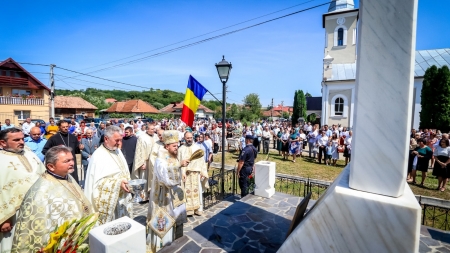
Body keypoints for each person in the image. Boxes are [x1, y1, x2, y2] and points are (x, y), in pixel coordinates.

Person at [10, 146, 94, 252]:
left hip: (80, 238)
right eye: (67, 161)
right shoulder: (41, 191)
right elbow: (40, 231)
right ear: (51, 166)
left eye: (72, 159)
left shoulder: (66, 177)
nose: (72, 163)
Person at [0, 128, 45, 252]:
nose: (22, 142)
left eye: (22, 139)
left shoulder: (28, 153)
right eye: (16, 140)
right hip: (13, 215)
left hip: (38, 208)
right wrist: (3, 219)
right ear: (3, 143)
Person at [146, 130, 190, 252]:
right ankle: (164, 248)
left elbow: (175, 171)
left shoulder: (173, 156)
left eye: (177, 145)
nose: (177, 148)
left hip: (174, 197)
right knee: (166, 227)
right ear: (166, 146)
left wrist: (181, 170)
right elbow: (166, 179)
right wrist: (179, 166)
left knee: (177, 223)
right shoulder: (160, 160)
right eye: (174, 146)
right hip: (163, 199)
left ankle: (176, 243)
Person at [84, 126, 133, 225]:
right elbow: (96, 185)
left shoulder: (117, 150)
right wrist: (118, 183)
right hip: (111, 205)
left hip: (123, 199)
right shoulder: (98, 156)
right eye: (117, 140)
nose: (119, 143)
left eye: (120, 140)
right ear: (106, 139)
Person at [178, 132, 208, 216]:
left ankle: (198, 209)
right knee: (186, 192)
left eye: (191, 137)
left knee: (196, 192)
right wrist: (182, 172)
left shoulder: (197, 148)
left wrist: (203, 172)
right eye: (187, 138)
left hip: (196, 174)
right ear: (184, 138)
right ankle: (188, 211)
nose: (189, 139)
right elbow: (179, 162)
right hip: (186, 174)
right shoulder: (180, 149)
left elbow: (202, 161)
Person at [132, 124, 156, 201]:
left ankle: (152, 195)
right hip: (145, 162)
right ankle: (143, 196)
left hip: (154, 163)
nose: (153, 130)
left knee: (152, 179)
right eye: (151, 129)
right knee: (144, 178)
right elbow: (139, 151)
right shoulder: (142, 138)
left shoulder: (155, 137)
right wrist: (142, 163)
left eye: (154, 129)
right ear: (147, 129)